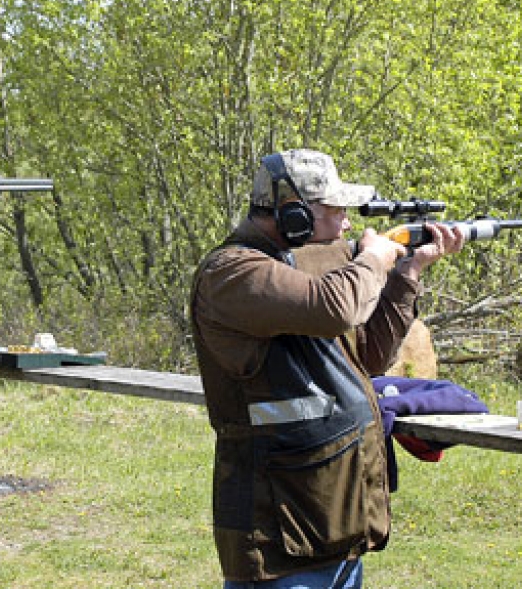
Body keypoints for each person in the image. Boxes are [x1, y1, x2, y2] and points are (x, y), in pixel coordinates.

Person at [189, 148, 465, 588]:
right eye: (334, 210)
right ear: (292, 214)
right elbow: (336, 307)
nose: (347, 223)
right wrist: (375, 257)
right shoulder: (233, 273)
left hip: (333, 514)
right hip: (277, 530)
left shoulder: (301, 273)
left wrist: (407, 272)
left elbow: (367, 357)